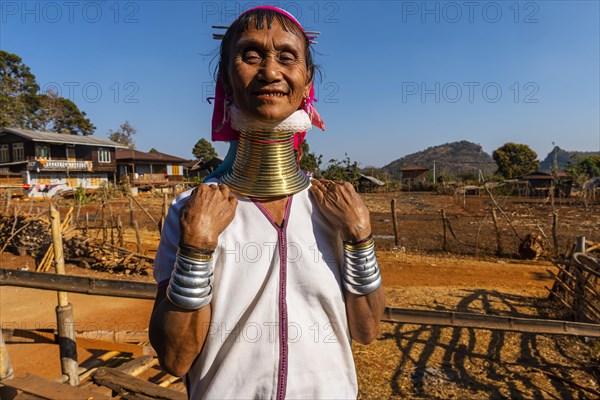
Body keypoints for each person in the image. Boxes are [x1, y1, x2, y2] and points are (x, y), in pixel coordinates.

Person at [149, 6, 385, 399]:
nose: (271, 72)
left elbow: (367, 331)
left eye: (287, 57)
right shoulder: (192, 211)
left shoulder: (334, 208)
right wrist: (197, 247)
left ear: (306, 80)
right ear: (226, 76)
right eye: (251, 55)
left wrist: (360, 238)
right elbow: (174, 359)